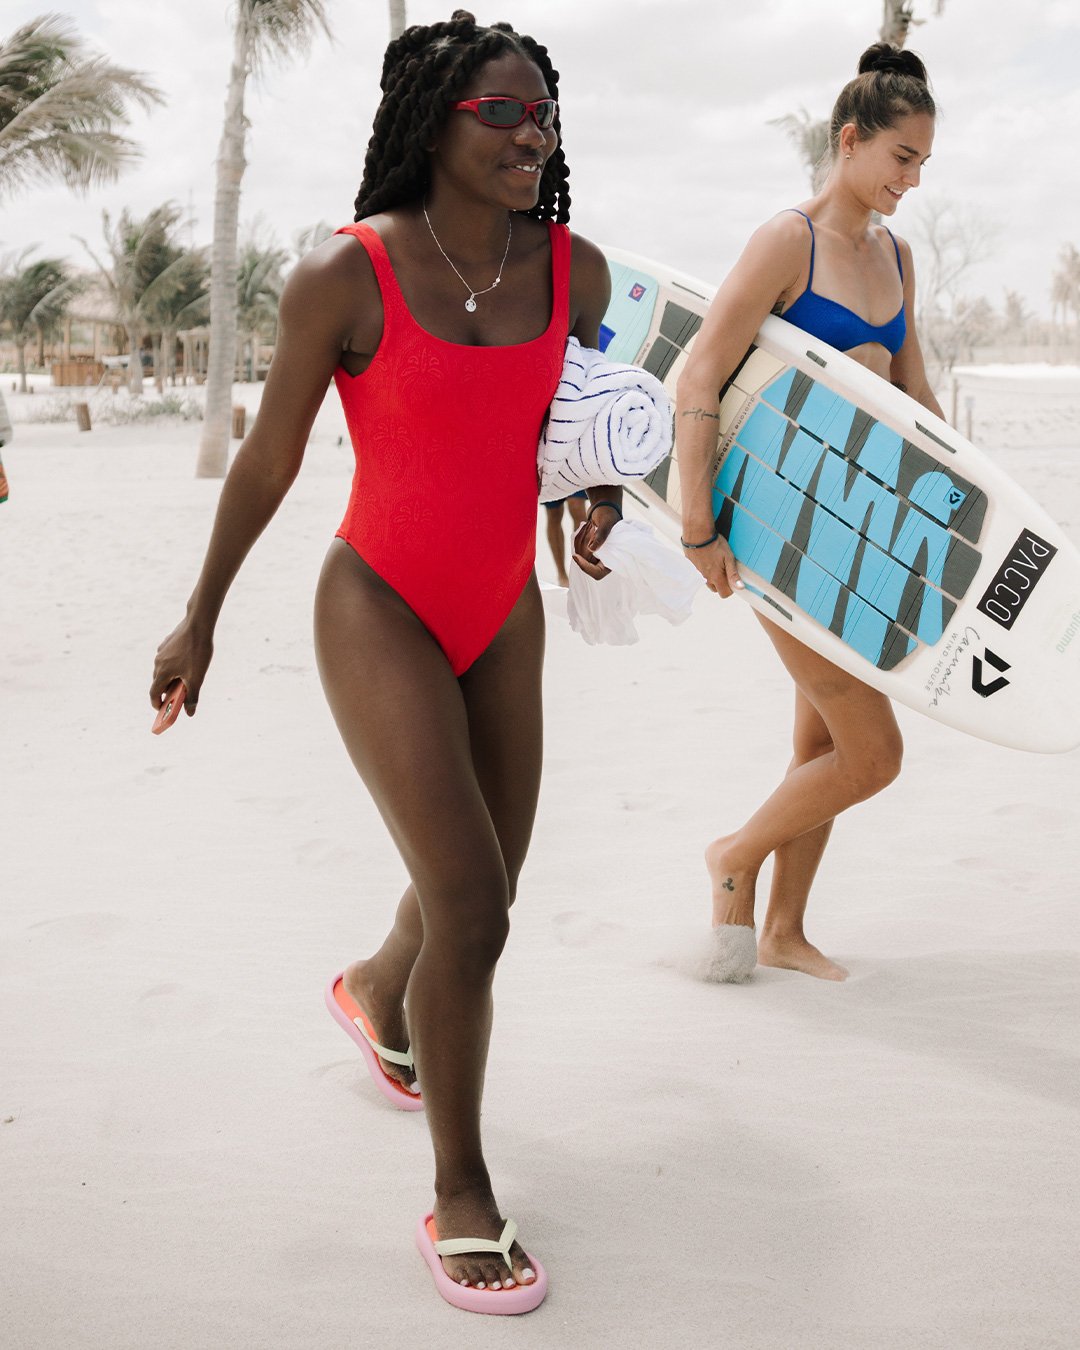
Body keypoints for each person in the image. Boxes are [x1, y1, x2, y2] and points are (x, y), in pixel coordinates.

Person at [150, 10, 618, 1314]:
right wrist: (202, 615)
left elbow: (592, 419)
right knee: (475, 904)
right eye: (505, 114)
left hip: (501, 610)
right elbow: (269, 458)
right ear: (435, 123)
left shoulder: (574, 271)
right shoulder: (342, 278)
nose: (536, 133)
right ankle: (461, 1189)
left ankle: (373, 988)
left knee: (475, 883)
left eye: (545, 114)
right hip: (380, 602)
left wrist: (601, 498)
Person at [675, 44, 941, 983]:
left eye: (923, 164)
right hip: (781, 529)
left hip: (863, 533)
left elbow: (916, 401)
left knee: (819, 741)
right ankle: (734, 856)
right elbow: (701, 369)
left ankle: (782, 929)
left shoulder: (897, 254)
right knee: (874, 755)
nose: (911, 180)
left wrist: (956, 520)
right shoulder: (789, 241)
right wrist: (697, 523)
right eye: (901, 158)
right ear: (851, 140)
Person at [542, 490, 588, 586]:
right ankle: (561, 574)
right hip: (551, 476)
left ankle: (582, 570)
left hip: (575, 475)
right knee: (554, 513)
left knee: (577, 506)